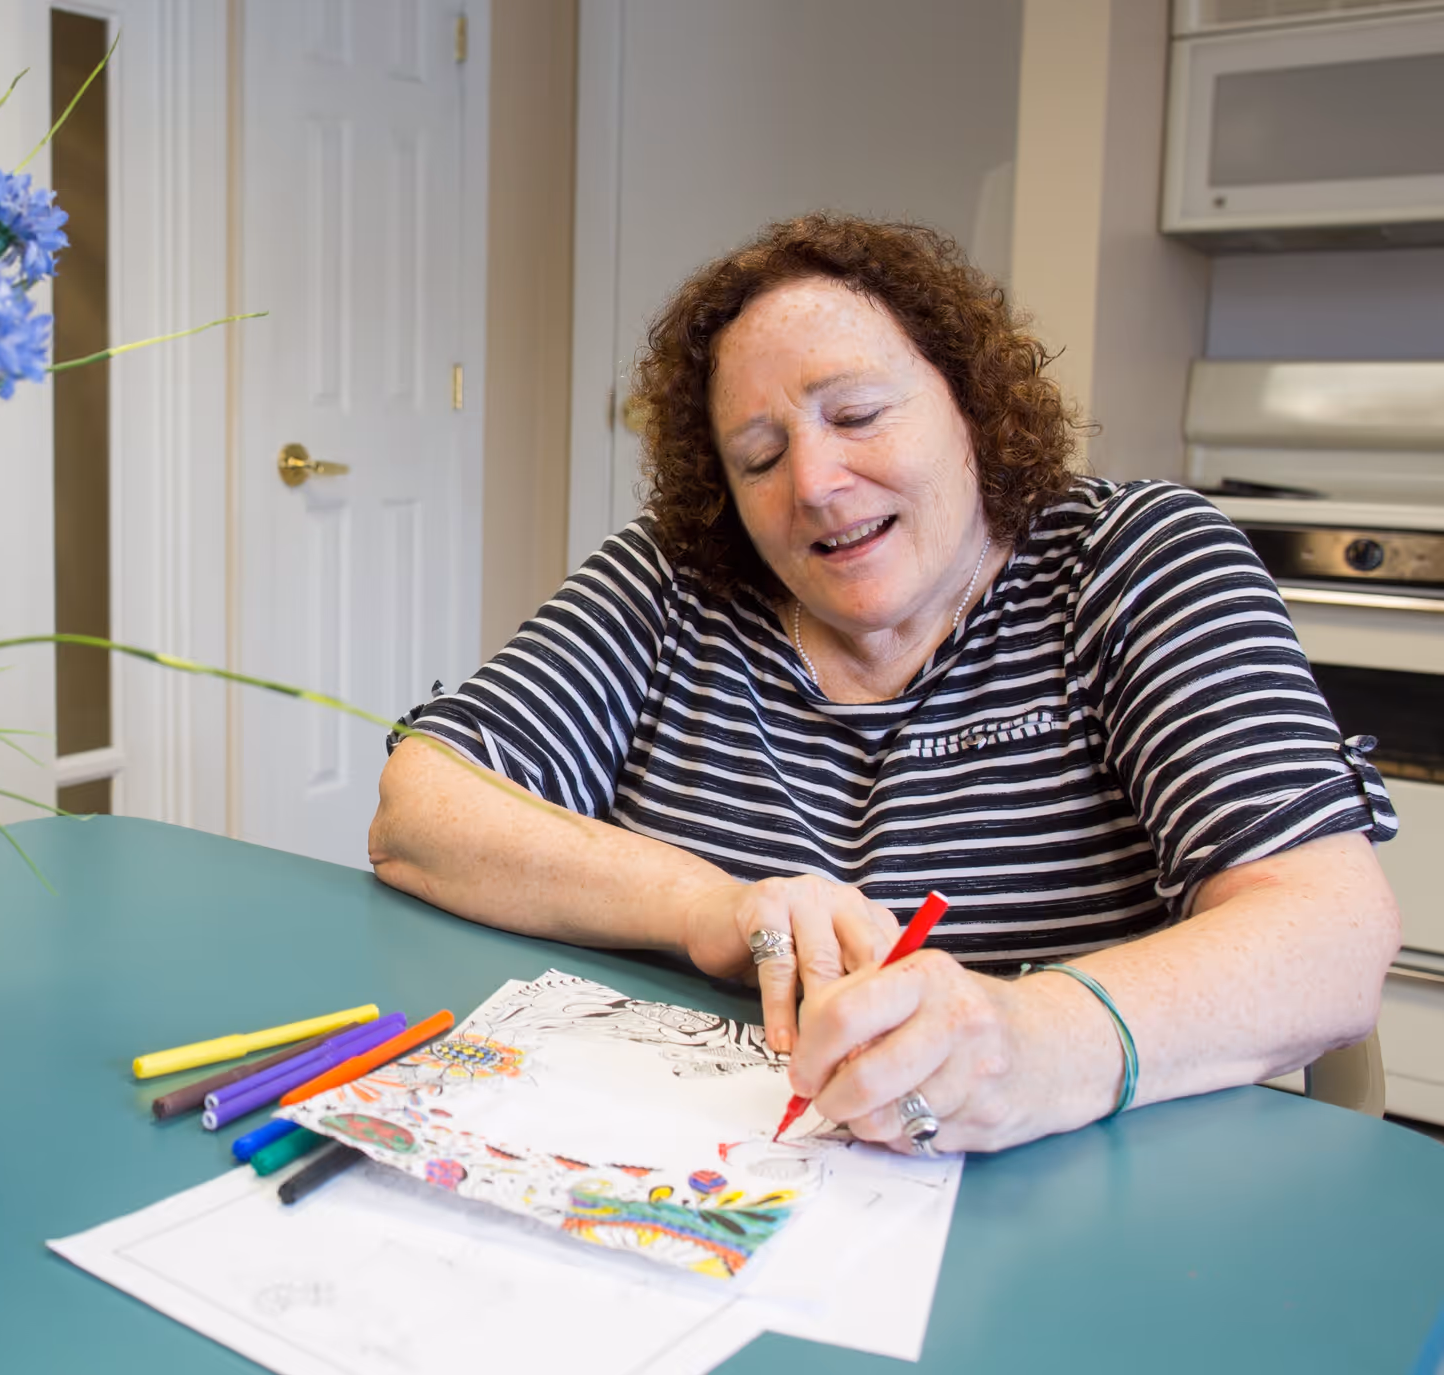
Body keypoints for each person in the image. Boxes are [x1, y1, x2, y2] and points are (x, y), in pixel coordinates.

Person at [368, 214, 1401, 1156]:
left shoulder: (1134, 560)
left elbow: (1330, 933)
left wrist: (1035, 1039)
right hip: (714, 1160)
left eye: (857, 414)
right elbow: (423, 806)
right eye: (760, 456)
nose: (814, 483)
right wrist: (714, 909)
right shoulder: (675, 578)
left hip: (1069, 1186)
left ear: (970, 403)